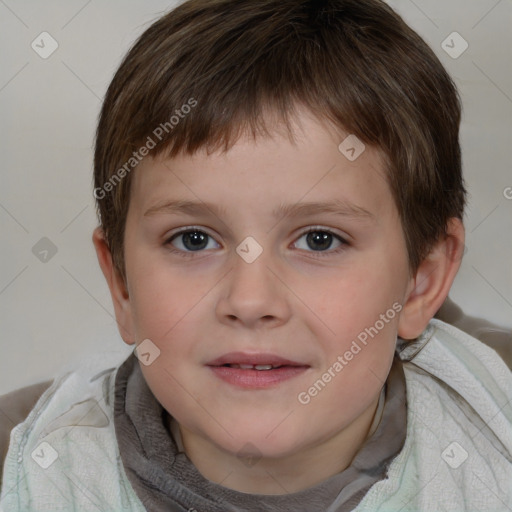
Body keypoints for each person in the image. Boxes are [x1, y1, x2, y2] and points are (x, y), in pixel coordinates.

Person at [1, 0, 511, 510]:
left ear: (421, 281)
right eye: (194, 239)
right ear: (123, 285)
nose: (250, 300)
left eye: (319, 240)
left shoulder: (492, 443)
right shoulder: (31, 469)